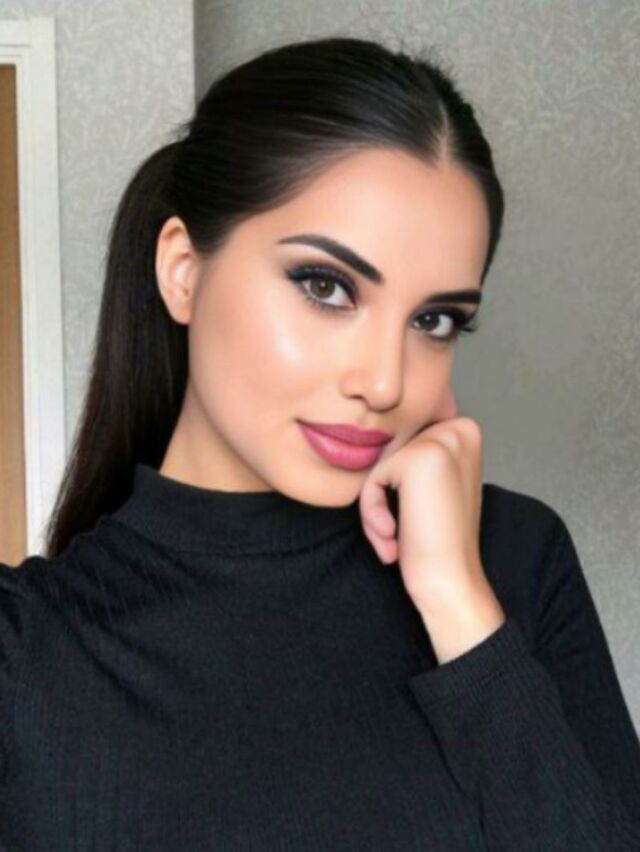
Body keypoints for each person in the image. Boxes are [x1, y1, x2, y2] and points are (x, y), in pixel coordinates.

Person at [1, 35, 639, 850]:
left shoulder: (514, 560)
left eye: (435, 320)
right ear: (183, 271)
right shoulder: (28, 652)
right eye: (327, 286)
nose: (385, 382)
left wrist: (461, 609)